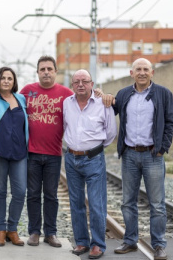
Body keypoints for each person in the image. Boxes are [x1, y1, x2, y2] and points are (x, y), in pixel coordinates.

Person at [103, 58, 173, 260]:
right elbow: (109, 112)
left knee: (157, 204)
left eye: (146, 69)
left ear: (152, 72)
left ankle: (159, 245)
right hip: (130, 154)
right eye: (138, 69)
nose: (142, 72)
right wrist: (107, 97)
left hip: (153, 155)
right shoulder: (124, 94)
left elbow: (171, 122)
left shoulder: (163, 93)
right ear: (131, 72)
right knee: (128, 202)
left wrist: (163, 148)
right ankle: (130, 241)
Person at [19, 55, 74, 247]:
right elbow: (9, 103)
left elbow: (84, 102)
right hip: (31, 153)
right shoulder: (27, 91)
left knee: (51, 194)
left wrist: (100, 94)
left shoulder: (67, 93)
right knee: (33, 193)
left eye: (49, 69)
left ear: (55, 71)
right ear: (38, 72)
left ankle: (50, 233)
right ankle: (34, 231)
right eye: (42, 69)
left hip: (53, 154)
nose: (46, 72)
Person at [63, 69, 117, 259]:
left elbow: (110, 133)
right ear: (72, 85)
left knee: (96, 203)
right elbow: (64, 127)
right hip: (71, 159)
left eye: (84, 81)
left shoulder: (103, 103)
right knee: (76, 203)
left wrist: (93, 149)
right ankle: (81, 242)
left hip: (94, 159)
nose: (80, 84)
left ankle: (98, 244)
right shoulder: (66, 104)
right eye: (76, 81)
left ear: (92, 84)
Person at [0, 67, 28, 247]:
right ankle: (0, 230)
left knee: (20, 192)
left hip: (19, 153)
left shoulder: (21, 99)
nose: (7, 81)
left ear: (14, 81)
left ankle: (13, 229)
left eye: (10, 78)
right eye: (3, 78)